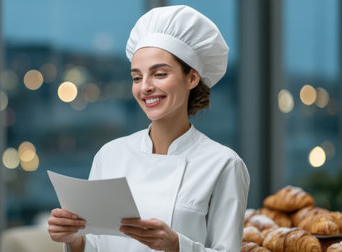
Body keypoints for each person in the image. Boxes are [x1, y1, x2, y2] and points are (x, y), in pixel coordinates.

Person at [48, 5, 250, 252]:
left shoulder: (224, 165)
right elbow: (97, 246)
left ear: (192, 78)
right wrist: (72, 237)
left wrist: (176, 245)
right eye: (136, 77)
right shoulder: (110, 155)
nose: (145, 87)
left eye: (160, 74)